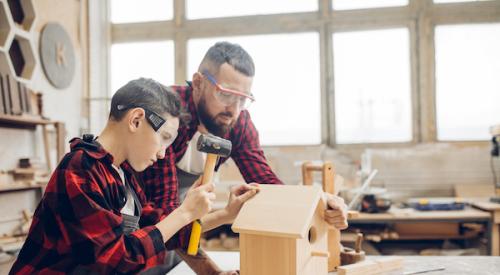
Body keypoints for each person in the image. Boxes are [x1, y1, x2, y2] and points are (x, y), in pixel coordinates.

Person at [9, 78, 258, 274]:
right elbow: (117, 258)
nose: (163, 154)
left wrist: (225, 215)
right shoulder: (79, 170)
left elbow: (160, 229)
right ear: (137, 120)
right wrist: (184, 212)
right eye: (164, 138)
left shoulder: (122, 175)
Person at [141, 42, 348, 271]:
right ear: (198, 83)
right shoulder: (168, 113)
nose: (234, 110)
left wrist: (320, 200)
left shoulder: (237, 123)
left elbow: (267, 184)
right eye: (226, 95)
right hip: (140, 237)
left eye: (243, 99)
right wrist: (211, 271)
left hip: (180, 237)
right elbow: (166, 215)